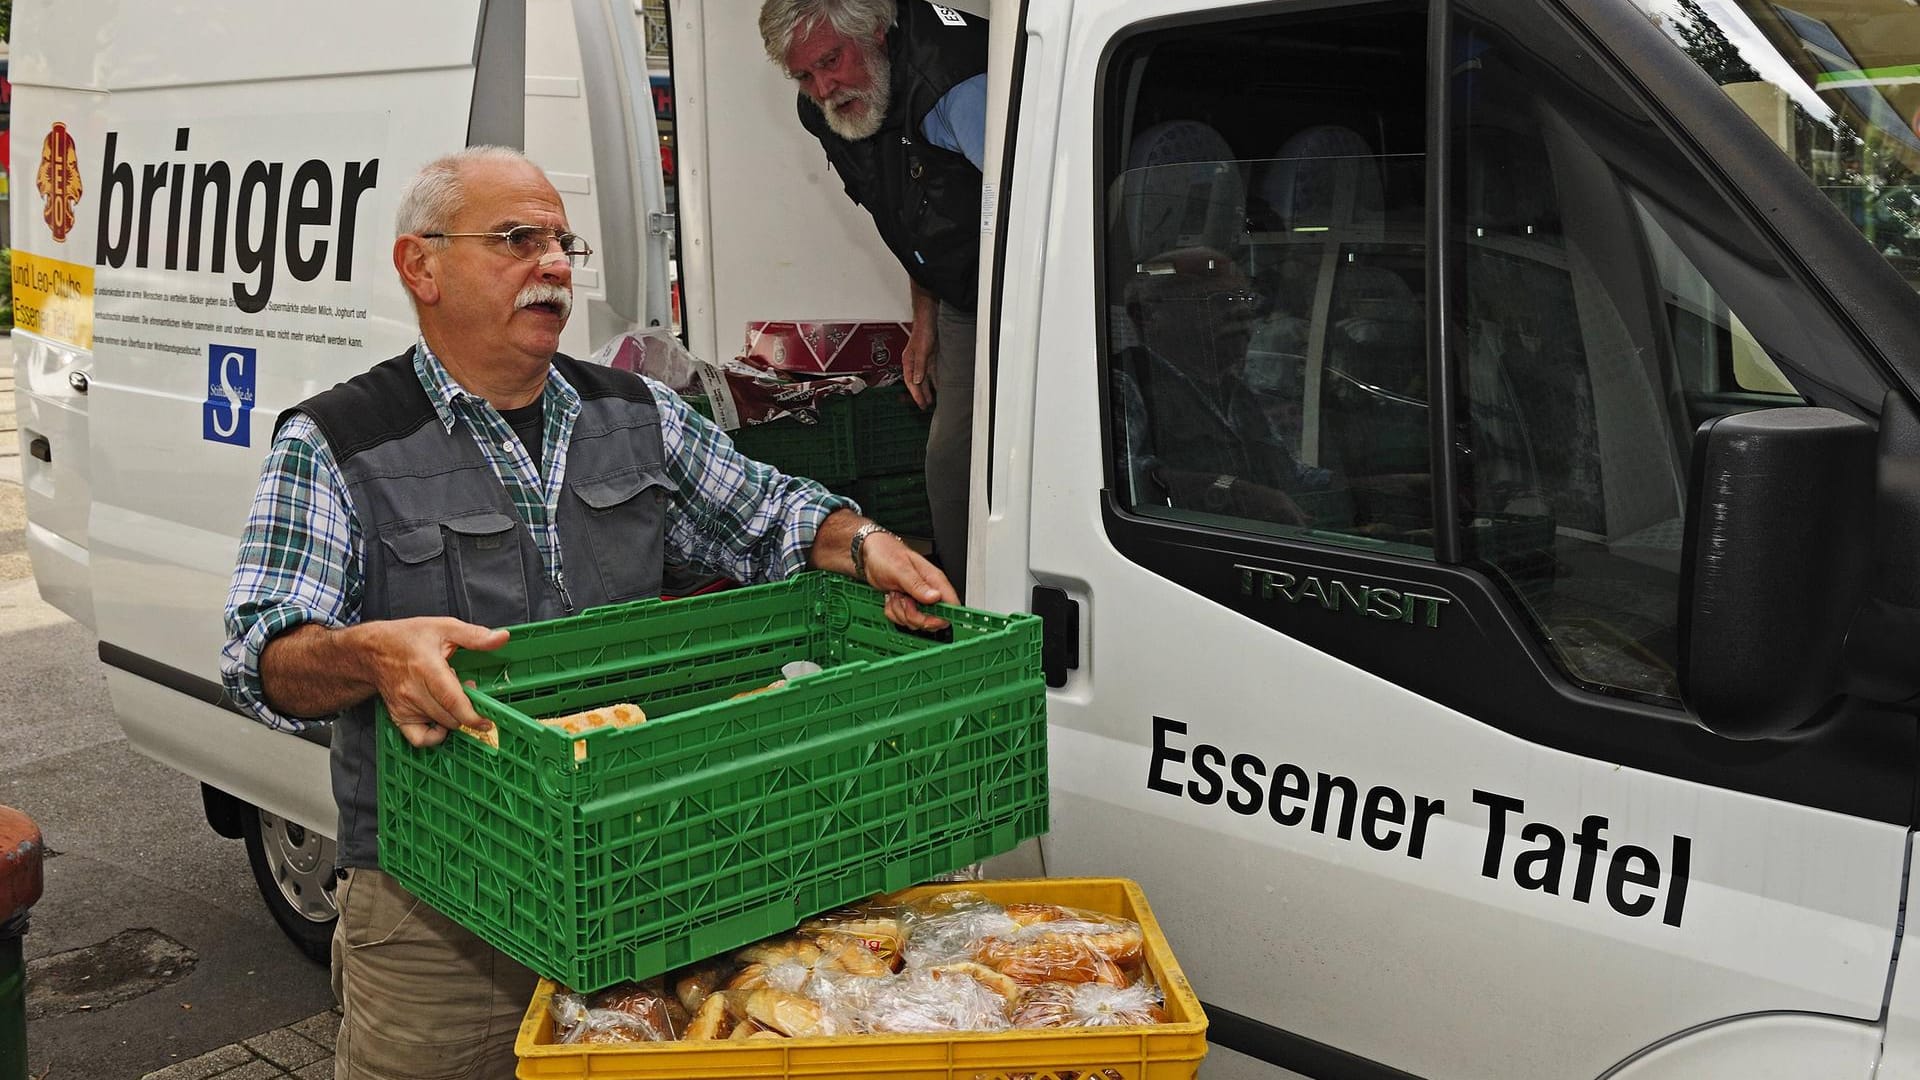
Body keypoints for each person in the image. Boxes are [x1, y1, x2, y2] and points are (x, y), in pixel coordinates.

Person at [220, 146, 954, 1080]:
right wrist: (371, 655)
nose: (557, 264)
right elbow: (259, 657)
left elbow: (771, 513)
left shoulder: (638, 413)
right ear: (421, 266)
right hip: (442, 911)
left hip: (643, 876)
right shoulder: (337, 442)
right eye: (518, 240)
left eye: (562, 241)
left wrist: (864, 545)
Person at [758, 0, 987, 598]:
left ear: (878, 32)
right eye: (804, 75)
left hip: (1041, 285)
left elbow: (1049, 220)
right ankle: (962, 612)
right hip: (963, 289)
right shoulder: (829, 106)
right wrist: (926, 319)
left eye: (831, 62)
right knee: (952, 461)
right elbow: (909, 211)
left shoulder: (958, 87)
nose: (823, 87)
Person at [1113, 246, 1332, 523]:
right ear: (1147, 315)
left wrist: (1376, 486)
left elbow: (1292, 476)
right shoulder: (1126, 383)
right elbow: (1125, 478)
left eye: (1246, 299)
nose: (1242, 312)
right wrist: (1236, 492)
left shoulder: (1238, 394)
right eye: (1219, 300)